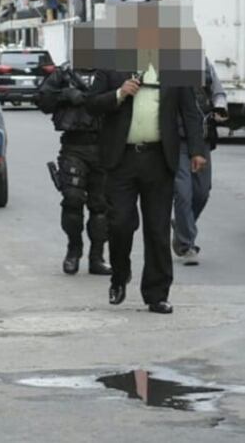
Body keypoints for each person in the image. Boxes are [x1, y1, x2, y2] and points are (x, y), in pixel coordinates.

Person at [88, 63, 205, 314]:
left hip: (159, 159)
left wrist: (197, 150)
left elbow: (191, 112)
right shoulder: (111, 65)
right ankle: (120, 275)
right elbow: (91, 104)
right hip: (122, 159)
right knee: (120, 223)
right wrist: (119, 94)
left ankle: (157, 294)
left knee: (157, 228)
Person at [36, 63, 112, 276]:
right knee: (72, 199)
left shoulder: (109, 71)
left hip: (105, 146)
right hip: (74, 145)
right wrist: (64, 95)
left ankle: (97, 256)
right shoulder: (64, 74)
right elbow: (42, 101)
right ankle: (73, 249)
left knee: (101, 206)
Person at [171, 57, 227, 266]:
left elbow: (218, 92)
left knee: (202, 192)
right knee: (183, 192)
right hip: (178, 141)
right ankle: (187, 245)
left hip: (201, 140)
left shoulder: (204, 64)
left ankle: (182, 226)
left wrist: (220, 108)